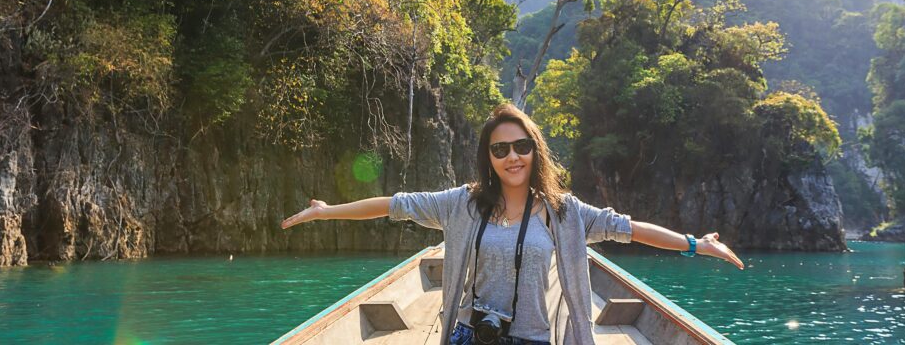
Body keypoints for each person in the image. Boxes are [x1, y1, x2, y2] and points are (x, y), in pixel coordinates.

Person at [280, 103, 743, 345]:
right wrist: (327, 211)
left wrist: (695, 244)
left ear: (534, 149)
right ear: (488, 158)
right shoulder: (462, 203)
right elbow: (392, 204)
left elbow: (631, 229)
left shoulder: (565, 212)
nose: (512, 157)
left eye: (520, 146)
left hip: (533, 339)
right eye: (499, 150)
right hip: (470, 335)